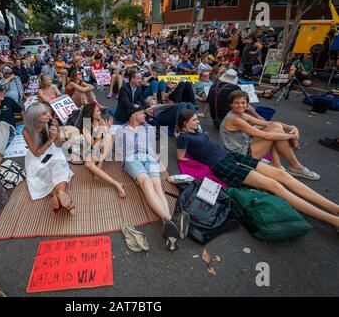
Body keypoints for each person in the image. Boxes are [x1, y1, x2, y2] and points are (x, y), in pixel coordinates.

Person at [176, 109, 339, 233]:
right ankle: (333, 219)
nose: (198, 121)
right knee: (275, 186)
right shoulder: (183, 137)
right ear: (185, 123)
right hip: (222, 165)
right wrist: (202, 169)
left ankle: (334, 208)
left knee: (282, 175)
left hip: (231, 156)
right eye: (194, 120)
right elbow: (182, 158)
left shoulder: (196, 130)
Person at [115, 104, 189, 251]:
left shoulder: (148, 128)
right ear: (133, 115)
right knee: (146, 182)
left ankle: (169, 228)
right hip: (132, 158)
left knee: (157, 185)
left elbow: (152, 149)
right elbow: (118, 151)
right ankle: (169, 220)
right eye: (142, 113)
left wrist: (160, 164)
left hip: (149, 157)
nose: (145, 115)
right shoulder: (120, 131)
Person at [219, 90, 320, 180]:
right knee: (274, 134)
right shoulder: (234, 119)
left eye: (243, 103)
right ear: (231, 104)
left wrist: (292, 128)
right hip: (238, 155)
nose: (240, 105)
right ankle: (295, 166)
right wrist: (291, 136)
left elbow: (270, 123)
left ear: (247, 104)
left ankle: (277, 164)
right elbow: (266, 136)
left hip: (245, 146)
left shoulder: (242, 115)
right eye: (236, 103)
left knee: (275, 127)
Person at [22, 104, 75, 213]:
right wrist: (51, 139)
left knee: (59, 166)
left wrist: (57, 135)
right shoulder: (26, 131)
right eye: (44, 114)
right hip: (37, 156)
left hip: (52, 151)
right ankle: (61, 197)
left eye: (47, 112)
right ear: (35, 117)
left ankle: (58, 197)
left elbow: (59, 145)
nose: (48, 115)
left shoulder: (51, 123)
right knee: (43, 171)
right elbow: (36, 153)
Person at [79, 102, 125, 197]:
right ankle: (116, 183)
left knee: (108, 137)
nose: (100, 112)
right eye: (97, 110)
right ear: (91, 113)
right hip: (94, 149)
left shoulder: (101, 121)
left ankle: (100, 163)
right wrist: (100, 132)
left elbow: (108, 139)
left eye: (99, 110)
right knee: (88, 164)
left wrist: (107, 126)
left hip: (104, 149)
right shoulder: (86, 125)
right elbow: (92, 143)